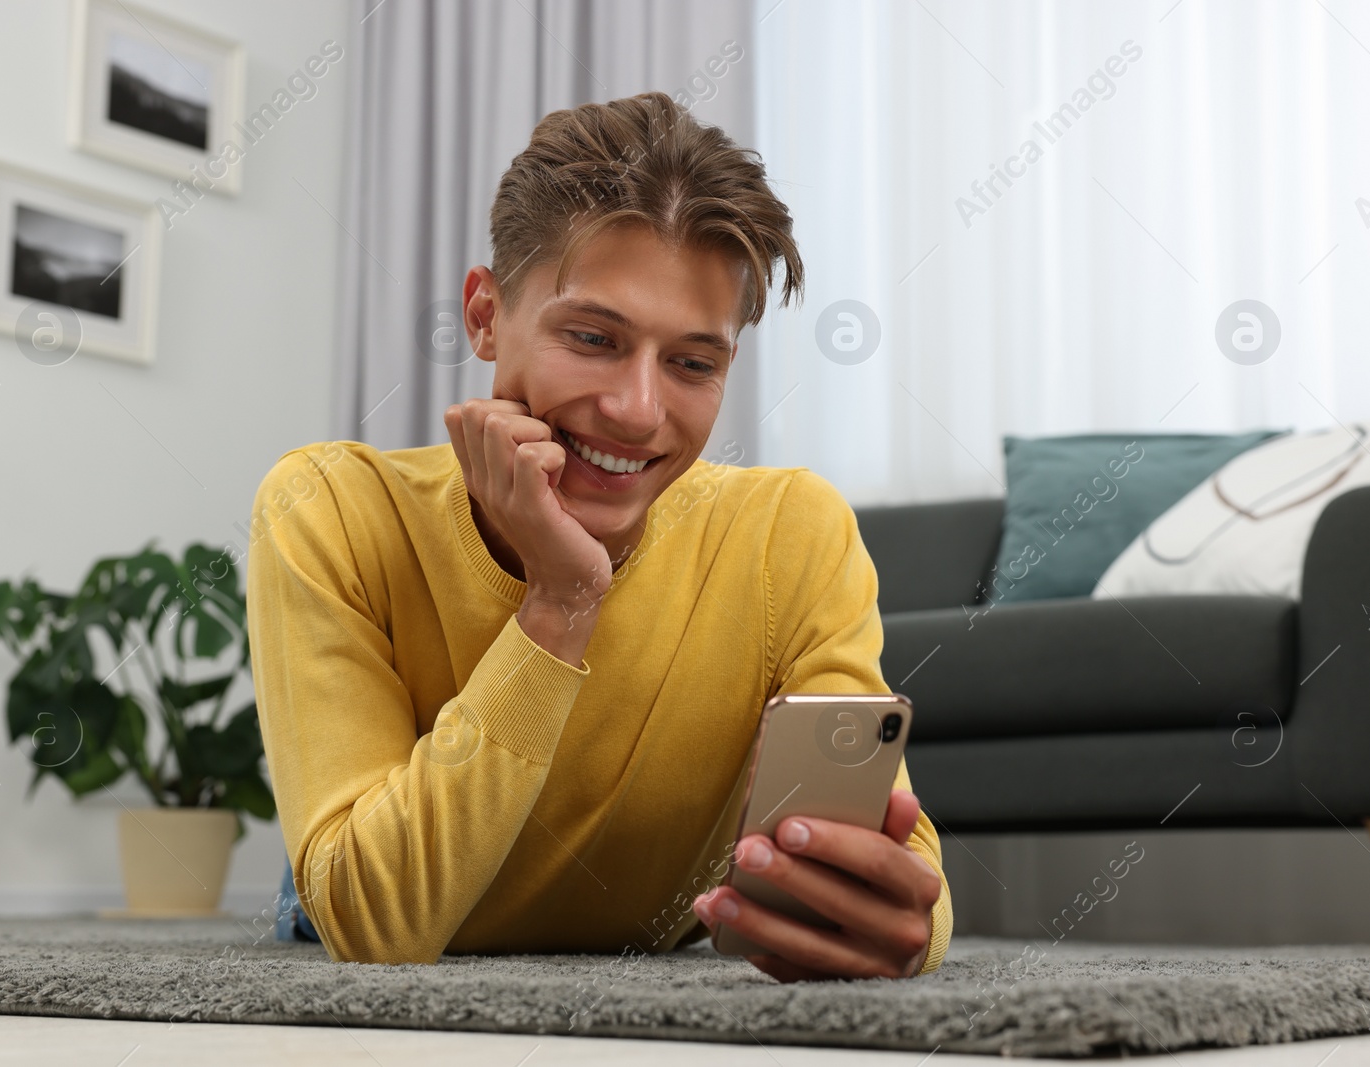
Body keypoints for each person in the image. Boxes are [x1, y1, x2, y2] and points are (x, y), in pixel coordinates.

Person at [247, 91, 951, 981]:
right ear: (485, 314)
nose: (638, 411)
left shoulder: (791, 532)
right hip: (372, 882)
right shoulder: (330, 509)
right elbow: (377, 925)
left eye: (693, 363)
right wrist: (561, 598)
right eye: (593, 337)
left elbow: (893, 840)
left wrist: (908, 917)